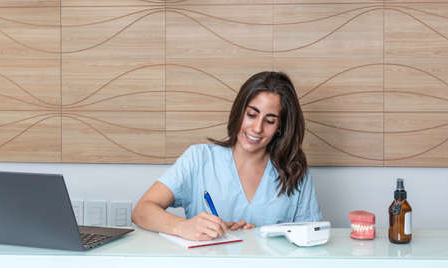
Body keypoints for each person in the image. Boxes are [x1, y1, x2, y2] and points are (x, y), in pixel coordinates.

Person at [132, 71, 322, 241]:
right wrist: (183, 227)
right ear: (239, 112)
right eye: (251, 115)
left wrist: (260, 237)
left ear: (280, 127)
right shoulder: (199, 159)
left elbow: (312, 234)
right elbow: (142, 211)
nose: (257, 128)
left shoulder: (294, 170)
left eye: (270, 121)